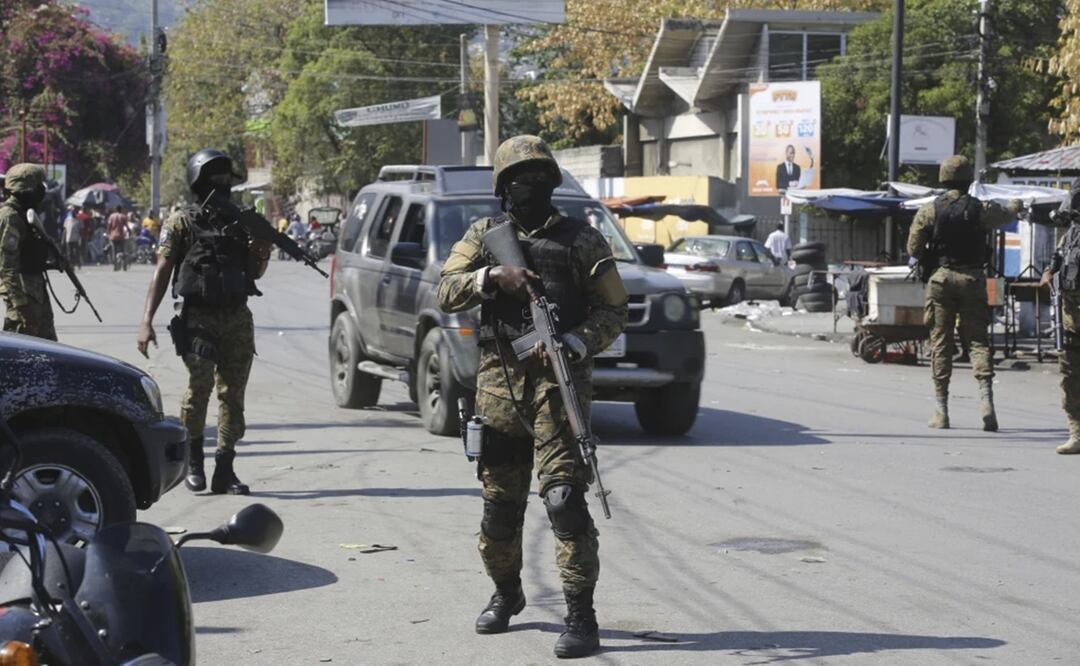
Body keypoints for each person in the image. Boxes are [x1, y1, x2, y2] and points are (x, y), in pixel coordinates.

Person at [437, 135, 628, 659]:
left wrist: (573, 340)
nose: (531, 186)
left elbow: (615, 310)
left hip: (558, 387)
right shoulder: (483, 235)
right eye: (520, 178)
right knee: (499, 509)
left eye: (541, 177)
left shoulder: (582, 241)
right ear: (503, 187)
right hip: (498, 387)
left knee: (565, 501)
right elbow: (444, 288)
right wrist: (491, 276)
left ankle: (581, 616)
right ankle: (506, 593)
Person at [136, 149, 272, 495]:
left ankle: (225, 468)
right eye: (216, 177)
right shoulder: (182, 222)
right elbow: (163, 269)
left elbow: (254, 273)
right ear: (199, 181)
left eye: (227, 178)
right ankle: (194, 462)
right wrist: (146, 320)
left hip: (237, 318)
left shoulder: (242, 223)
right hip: (198, 317)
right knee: (198, 392)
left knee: (233, 397)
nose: (224, 184)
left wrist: (261, 248)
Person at [906, 155, 1020, 431]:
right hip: (973, 279)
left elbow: (913, 248)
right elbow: (1007, 212)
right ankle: (986, 403)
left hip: (941, 280)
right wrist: (1015, 204)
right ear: (969, 179)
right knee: (978, 342)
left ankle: (941, 411)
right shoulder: (980, 208)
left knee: (941, 343)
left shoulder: (929, 210)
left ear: (943, 179)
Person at [1042, 177, 1080, 453]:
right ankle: (1076, 433)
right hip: (1070, 315)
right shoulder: (1072, 233)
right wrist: (1049, 271)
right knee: (1069, 374)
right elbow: (1059, 256)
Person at [0, 164, 56, 340]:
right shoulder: (10, 216)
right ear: (25, 189)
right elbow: (7, 267)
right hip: (24, 300)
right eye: (38, 185)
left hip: (36, 294)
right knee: (21, 356)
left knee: (49, 351)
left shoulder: (26, 214)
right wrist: (21, 307)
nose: (41, 191)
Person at [107, 205, 128, 271]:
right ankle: (124, 265)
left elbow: (109, 226)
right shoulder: (123, 216)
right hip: (121, 236)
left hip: (113, 236)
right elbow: (126, 226)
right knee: (122, 251)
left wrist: (108, 233)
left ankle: (115, 265)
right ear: (121, 209)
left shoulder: (112, 216)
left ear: (116, 209)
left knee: (114, 251)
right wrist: (129, 232)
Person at [62, 205, 82, 269]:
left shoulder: (67, 219)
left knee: (70, 252)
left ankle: (73, 264)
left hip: (69, 238)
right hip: (75, 238)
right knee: (75, 252)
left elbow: (64, 229)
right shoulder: (77, 220)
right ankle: (75, 264)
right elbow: (81, 228)